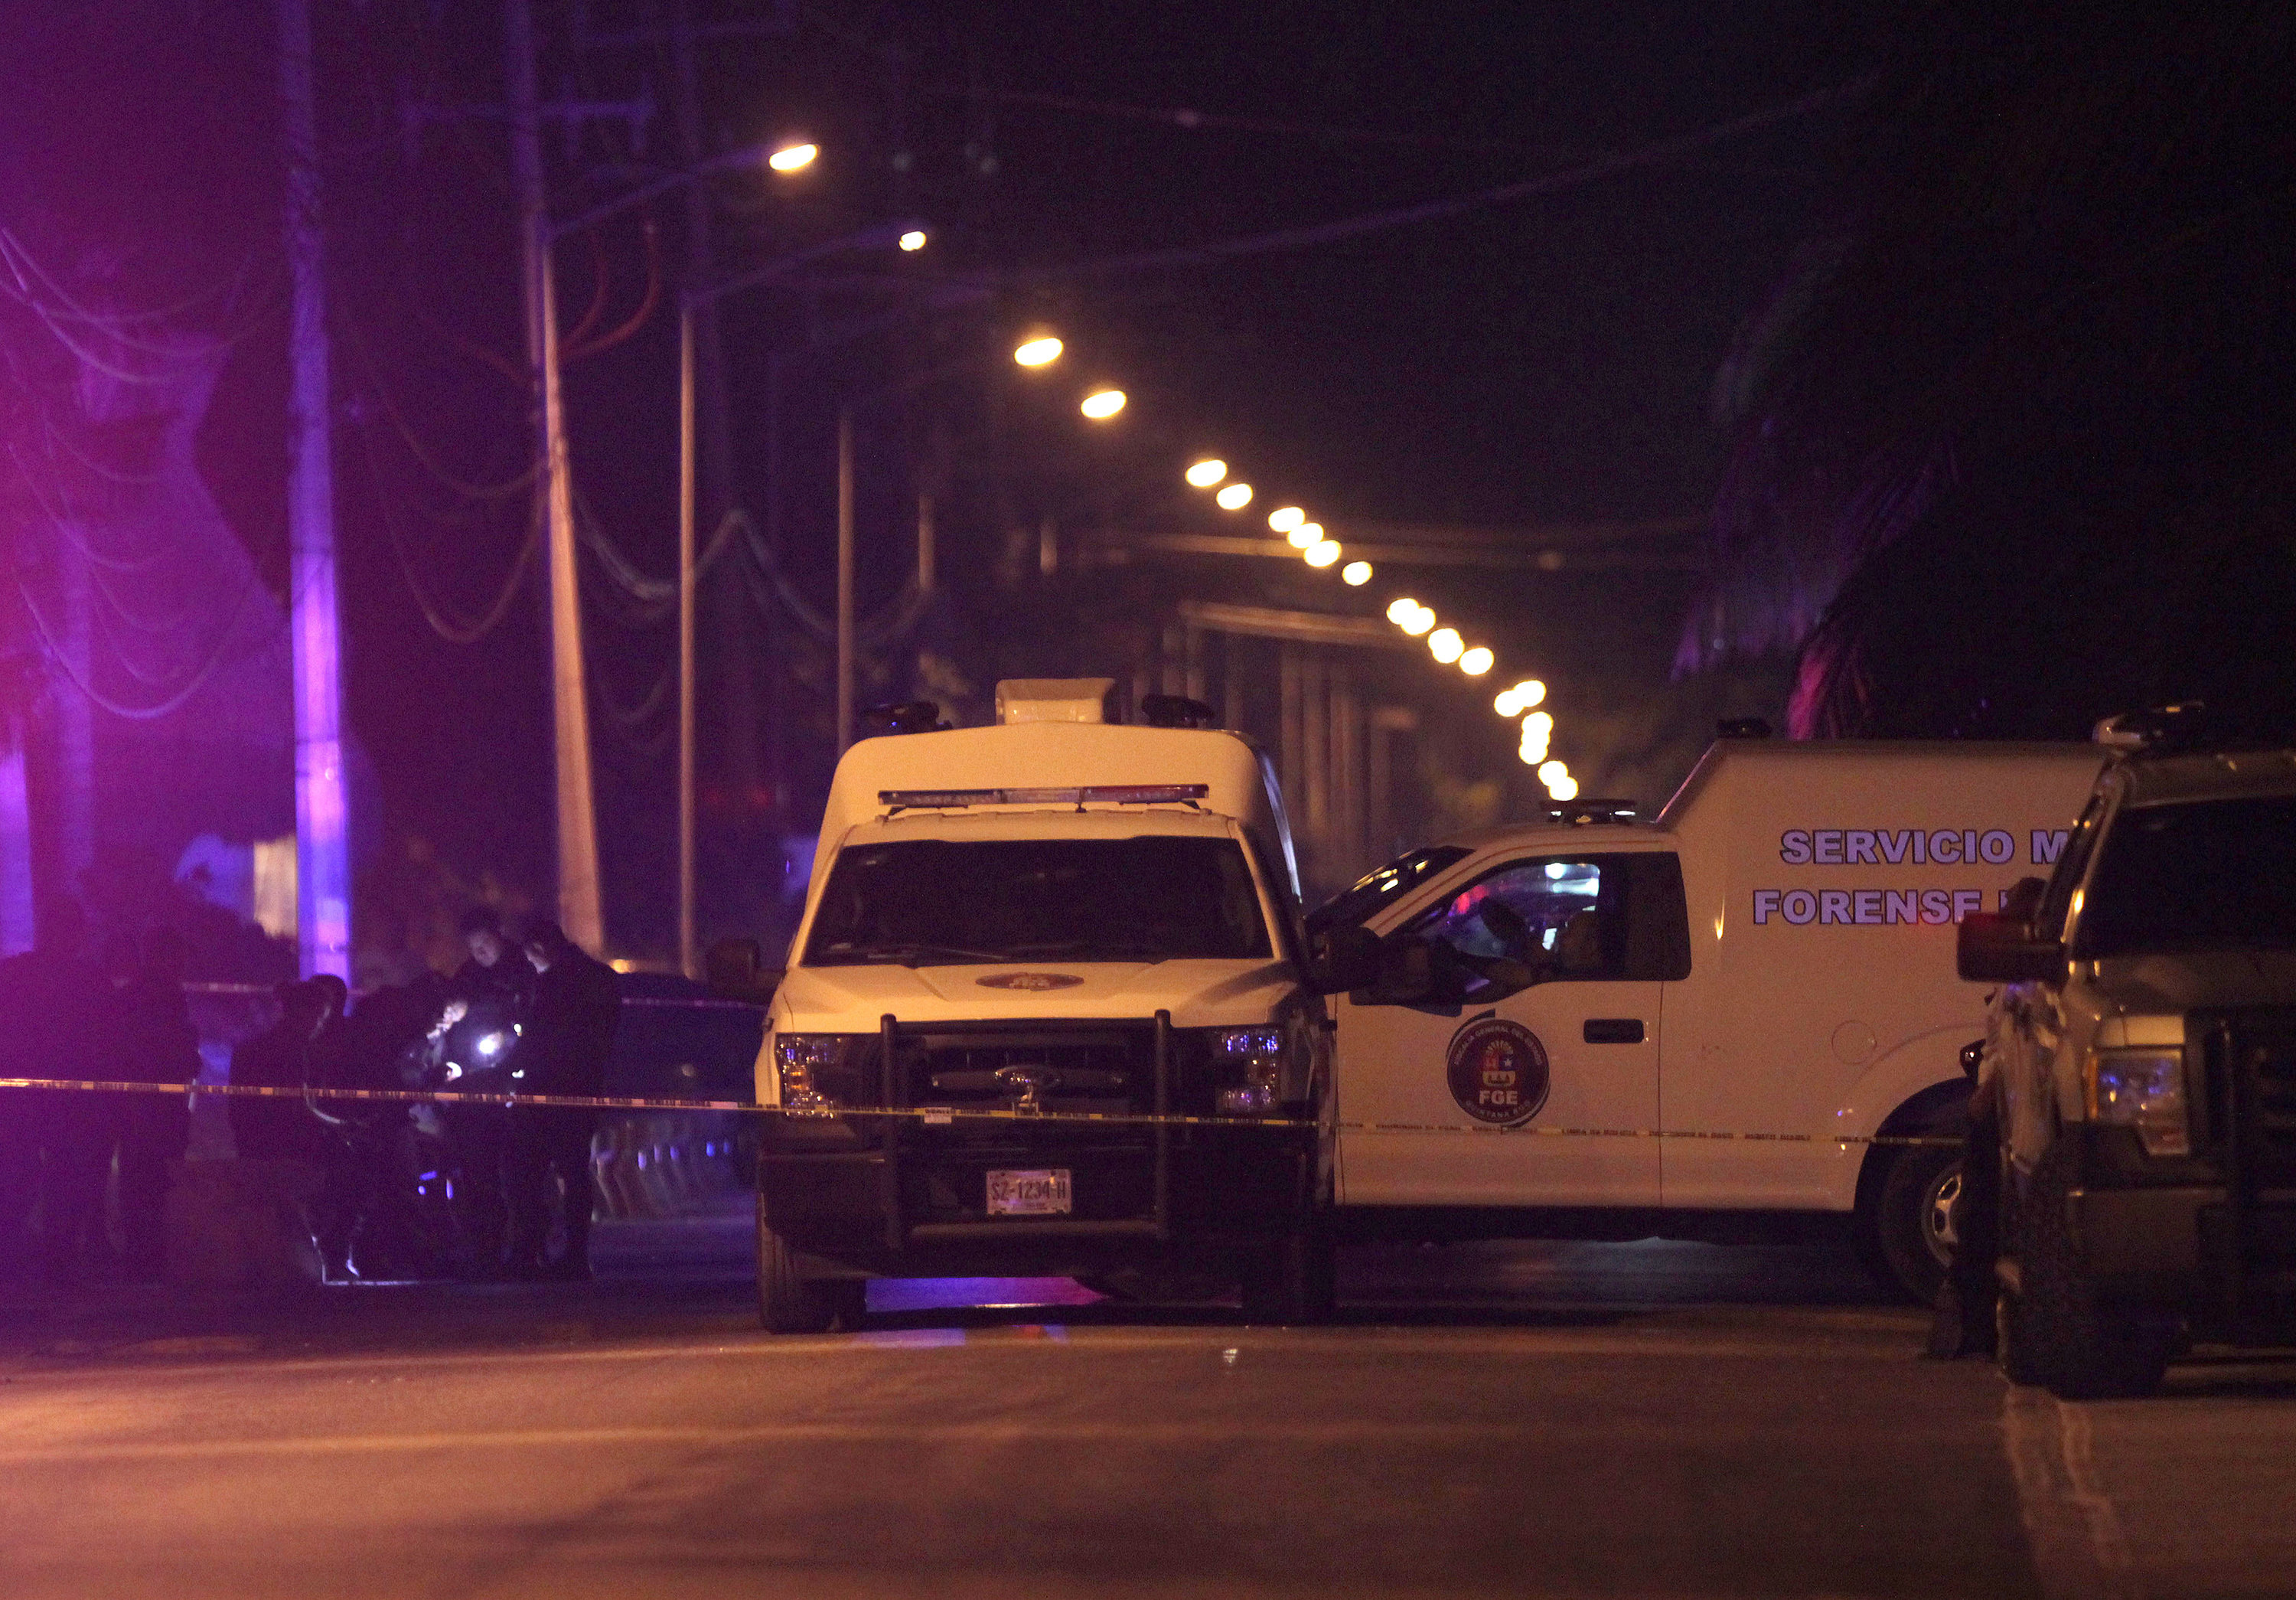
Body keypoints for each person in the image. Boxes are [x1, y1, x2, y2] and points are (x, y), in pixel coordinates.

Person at [0, 902, 118, 1285]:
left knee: (22, 1177)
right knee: (59, 1180)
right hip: (65, 1099)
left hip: (28, 1097)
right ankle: (53, 1263)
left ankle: (20, 1260)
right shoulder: (89, 980)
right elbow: (105, 1041)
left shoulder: (16, 974)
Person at [507, 919, 620, 1278]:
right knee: (574, 1172)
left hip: (546, 1091)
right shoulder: (601, 977)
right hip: (584, 1089)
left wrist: (507, 1070)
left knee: (528, 1171)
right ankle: (575, 1254)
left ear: (539, 948)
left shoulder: (555, 981)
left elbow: (537, 1038)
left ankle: (530, 1251)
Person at [442, 907, 534, 1277]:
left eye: (484, 943)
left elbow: (530, 1015)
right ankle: (485, 1246)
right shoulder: (467, 974)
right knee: (477, 1170)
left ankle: (527, 1246)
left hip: (514, 1081)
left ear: (499, 934)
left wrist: (510, 1037)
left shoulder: (522, 969)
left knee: (519, 1169)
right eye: (472, 946)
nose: (479, 952)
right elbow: (452, 1017)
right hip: (474, 1084)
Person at [113, 927, 203, 1282]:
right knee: (149, 1179)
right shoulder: (155, 996)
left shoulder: (154, 994)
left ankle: (147, 1257)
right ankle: (147, 1259)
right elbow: (153, 1050)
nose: (181, 964)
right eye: (177, 956)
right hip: (150, 1106)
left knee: (149, 1179)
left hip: (156, 1104)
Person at [230, 981, 329, 1164]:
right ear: (303, 1014)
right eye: (320, 1017)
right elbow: (301, 1111)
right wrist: (342, 1125)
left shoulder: (248, 1050)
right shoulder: (297, 1053)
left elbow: (236, 1113)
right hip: (289, 1157)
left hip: (253, 1154)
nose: (322, 1025)